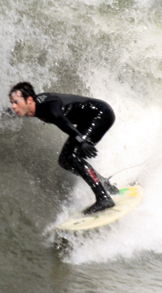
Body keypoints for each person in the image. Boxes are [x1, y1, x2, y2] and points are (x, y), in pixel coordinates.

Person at [8, 81, 117, 214]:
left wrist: (81, 142)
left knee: (72, 157)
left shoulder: (49, 109)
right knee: (64, 160)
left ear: (29, 100)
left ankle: (104, 198)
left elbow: (63, 122)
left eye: (16, 102)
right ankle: (106, 186)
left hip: (100, 114)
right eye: (11, 103)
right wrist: (7, 114)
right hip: (89, 118)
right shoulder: (35, 105)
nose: (13, 106)